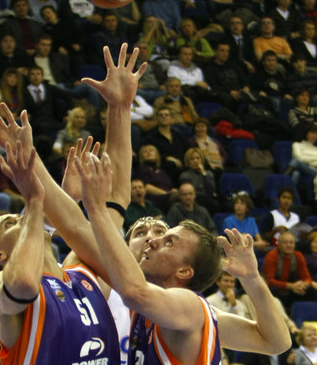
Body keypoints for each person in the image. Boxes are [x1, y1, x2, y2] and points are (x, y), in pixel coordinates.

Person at [0, 42, 148, 364]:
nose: (20, 218)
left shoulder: (82, 275)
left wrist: (119, 108)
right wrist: (36, 201)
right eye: (9, 223)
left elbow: (115, 199)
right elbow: (24, 283)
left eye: (17, 216)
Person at [75, 150, 292, 365]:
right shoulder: (112, 289)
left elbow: (276, 342)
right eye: (140, 233)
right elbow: (75, 231)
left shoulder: (189, 308)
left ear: (184, 270)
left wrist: (251, 278)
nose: (152, 239)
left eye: (165, 237)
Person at [262, 231, 317, 312]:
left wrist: (303, 285)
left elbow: (307, 278)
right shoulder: (271, 256)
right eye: (285, 242)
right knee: (272, 290)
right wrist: (291, 286)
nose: (288, 245)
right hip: (275, 288)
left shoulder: (298, 256)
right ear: (279, 244)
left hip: (292, 288)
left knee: (312, 291)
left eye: (291, 243)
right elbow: (270, 281)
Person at [134, 144, 178, 213]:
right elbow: (147, 187)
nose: (148, 153)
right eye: (145, 152)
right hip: (154, 199)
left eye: (151, 150)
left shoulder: (162, 171)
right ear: (141, 157)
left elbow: (170, 185)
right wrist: (166, 194)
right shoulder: (142, 169)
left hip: (167, 199)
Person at [178, 147, 220, 215]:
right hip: (195, 200)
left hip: (208, 199)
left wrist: (203, 174)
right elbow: (190, 192)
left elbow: (211, 189)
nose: (195, 161)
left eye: (198, 158)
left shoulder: (208, 174)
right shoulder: (185, 176)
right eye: (192, 159)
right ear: (188, 161)